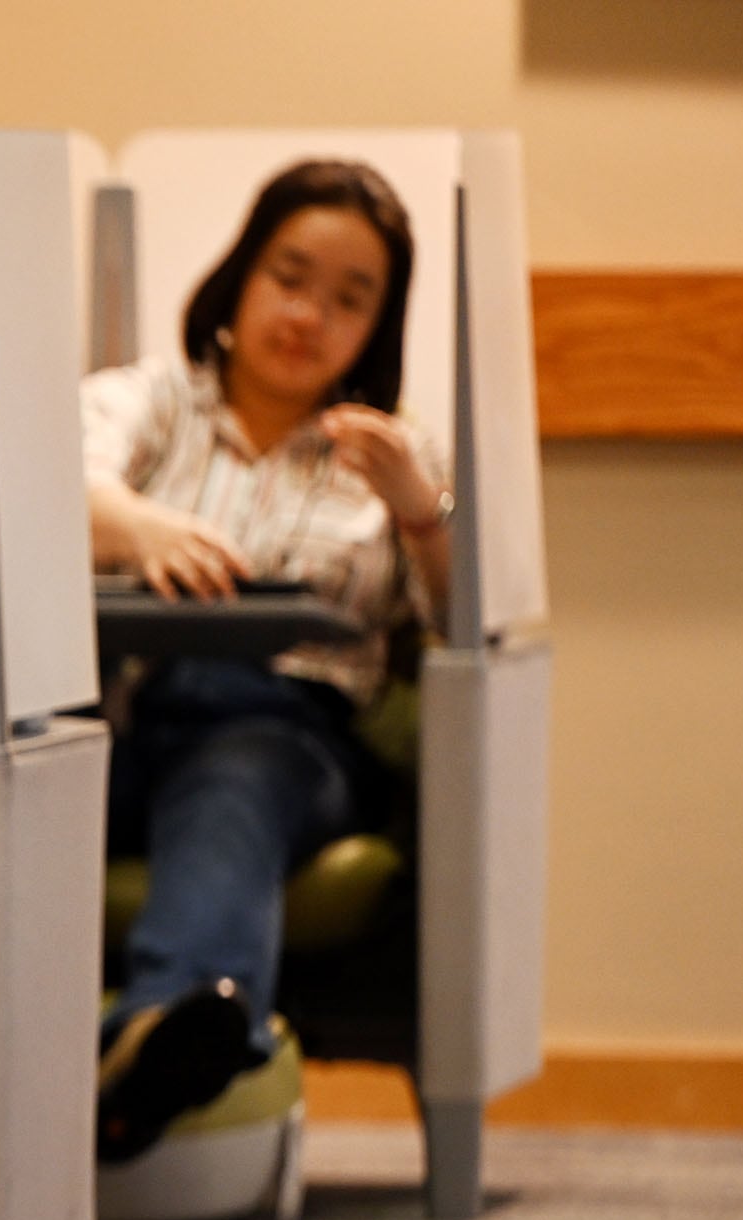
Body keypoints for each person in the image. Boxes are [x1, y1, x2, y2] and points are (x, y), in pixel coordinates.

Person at [84, 159, 451, 1161]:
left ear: (380, 325)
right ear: (238, 275)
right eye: (289, 277)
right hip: (123, 721)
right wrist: (141, 529)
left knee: (238, 770)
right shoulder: (149, 400)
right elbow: (57, 489)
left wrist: (421, 512)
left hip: (295, 737)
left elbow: (469, 626)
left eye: (349, 299)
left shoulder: (394, 455)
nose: (309, 314)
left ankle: (175, 1025)